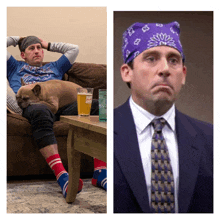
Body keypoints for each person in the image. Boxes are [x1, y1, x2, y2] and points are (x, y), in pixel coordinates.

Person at [114, 22, 213, 213]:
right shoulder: (106, 131)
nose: (165, 69)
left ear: (183, 74)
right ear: (127, 72)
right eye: (151, 58)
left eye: (174, 60)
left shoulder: (211, 139)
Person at [7, 36, 107, 198]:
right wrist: (17, 39)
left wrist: (47, 44)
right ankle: (62, 175)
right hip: (32, 106)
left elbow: (74, 48)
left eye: (39, 48)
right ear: (23, 54)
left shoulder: (56, 67)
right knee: (40, 110)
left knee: (103, 104)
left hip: (63, 107)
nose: (37, 51)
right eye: (31, 48)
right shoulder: (14, 66)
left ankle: (101, 172)